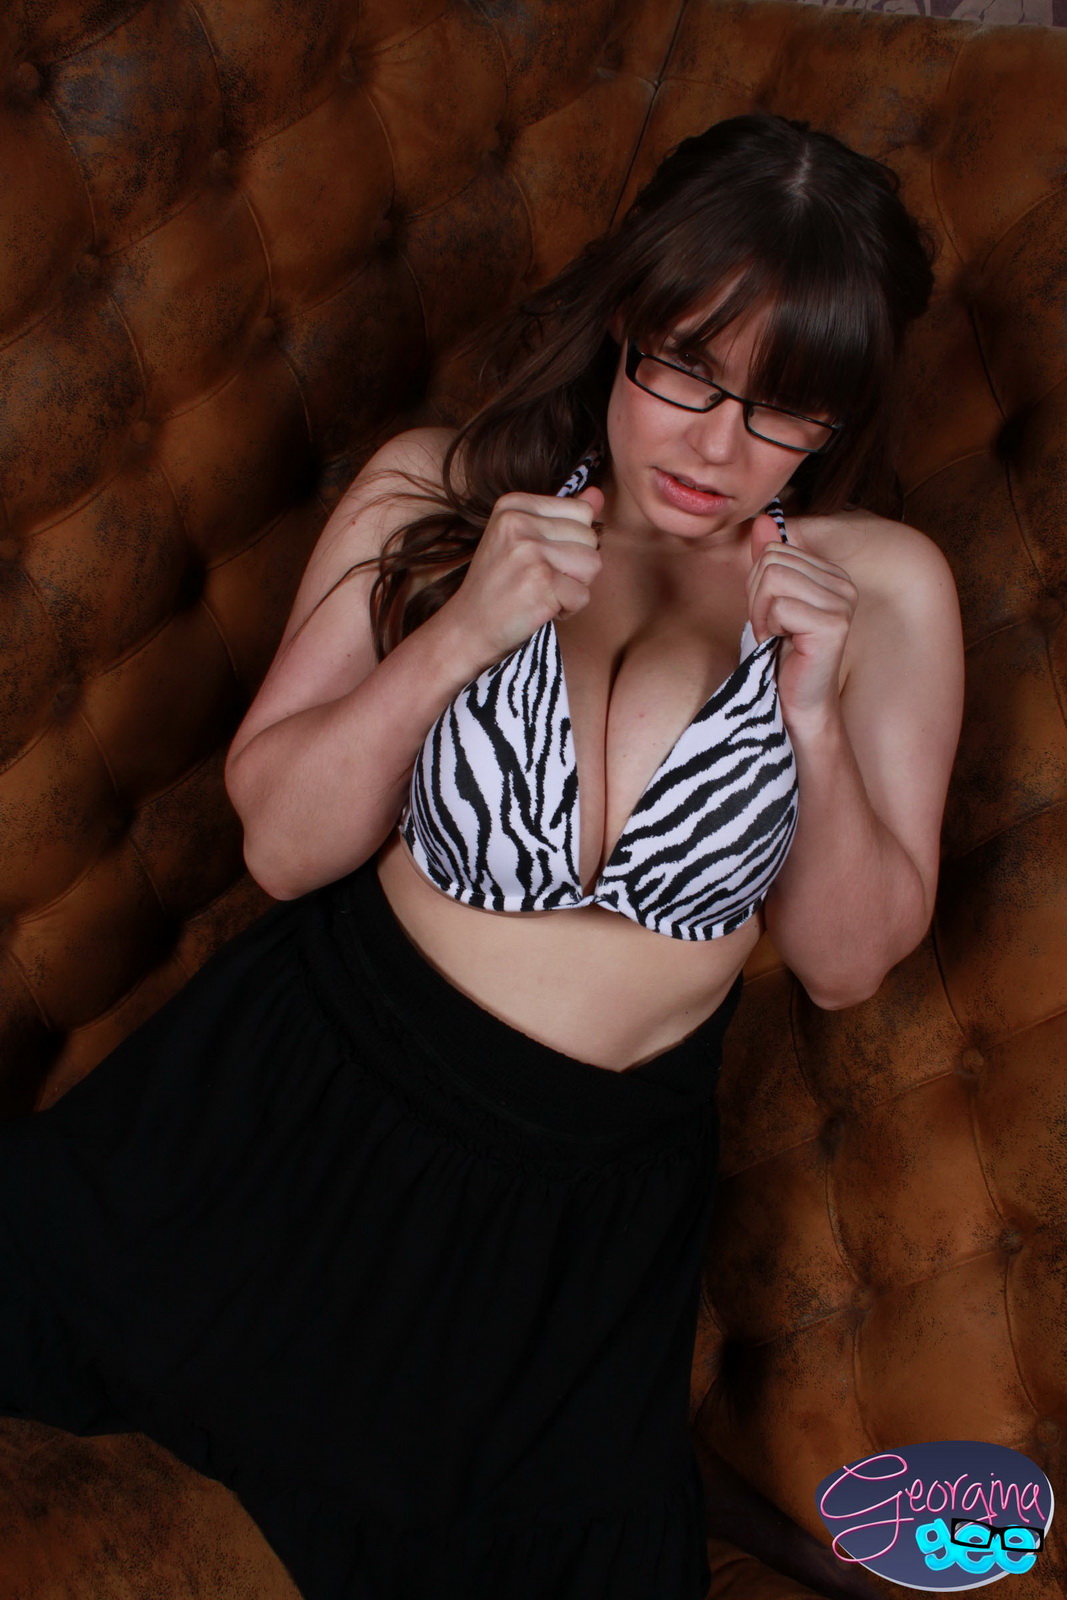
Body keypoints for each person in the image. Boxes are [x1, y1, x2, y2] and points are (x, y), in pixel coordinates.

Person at [0, 114, 963, 1599]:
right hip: (290, 1118)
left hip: (573, 1240)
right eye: (686, 370)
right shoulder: (437, 490)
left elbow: (843, 967)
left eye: (786, 408)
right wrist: (463, 631)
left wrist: (815, 722)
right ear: (625, 317)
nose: (718, 447)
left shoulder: (880, 587)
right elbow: (281, 847)